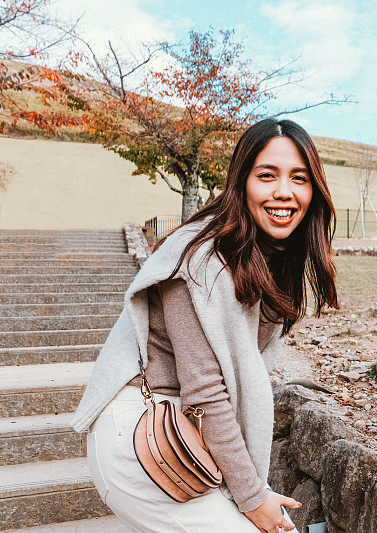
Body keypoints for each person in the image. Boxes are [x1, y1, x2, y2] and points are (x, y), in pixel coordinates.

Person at [70, 119, 339, 532]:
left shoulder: (263, 260)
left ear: (313, 190)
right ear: (241, 182)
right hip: (145, 437)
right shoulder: (198, 259)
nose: (284, 192)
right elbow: (205, 393)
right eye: (267, 175)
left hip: (190, 435)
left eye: (299, 178)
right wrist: (253, 498)